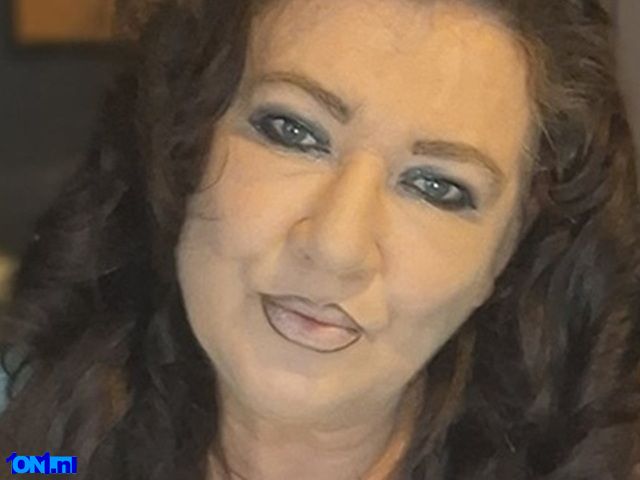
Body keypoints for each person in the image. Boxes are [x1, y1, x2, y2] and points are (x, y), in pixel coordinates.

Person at [1, 0, 639, 478]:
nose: (336, 247)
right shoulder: (35, 439)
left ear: (507, 249)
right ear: (186, 140)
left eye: (437, 187)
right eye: (293, 132)